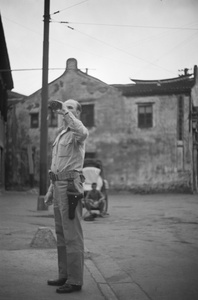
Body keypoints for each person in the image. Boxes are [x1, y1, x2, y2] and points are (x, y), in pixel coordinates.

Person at [44, 99, 89, 294]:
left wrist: (64, 111)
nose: (66, 109)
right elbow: (57, 166)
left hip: (70, 186)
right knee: (61, 234)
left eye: (71, 107)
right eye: (65, 106)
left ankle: (75, 280)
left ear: (77, 113)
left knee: (72, 235)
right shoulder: (61, 135)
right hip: (58, 184)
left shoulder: (78, 132)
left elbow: (82, 132)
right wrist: (50, 189)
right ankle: (65, 274)